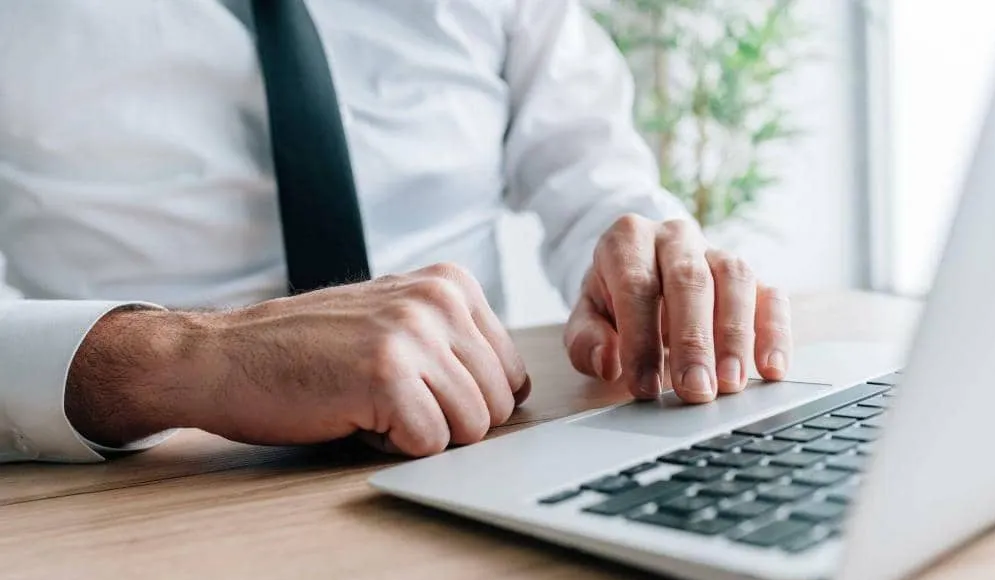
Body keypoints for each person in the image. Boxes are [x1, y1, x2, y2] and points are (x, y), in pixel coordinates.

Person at [0, 0, 791, 464]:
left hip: (473, 449)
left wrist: (641, 258)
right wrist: (185, 360)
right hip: (144, 493)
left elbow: (592, 175)